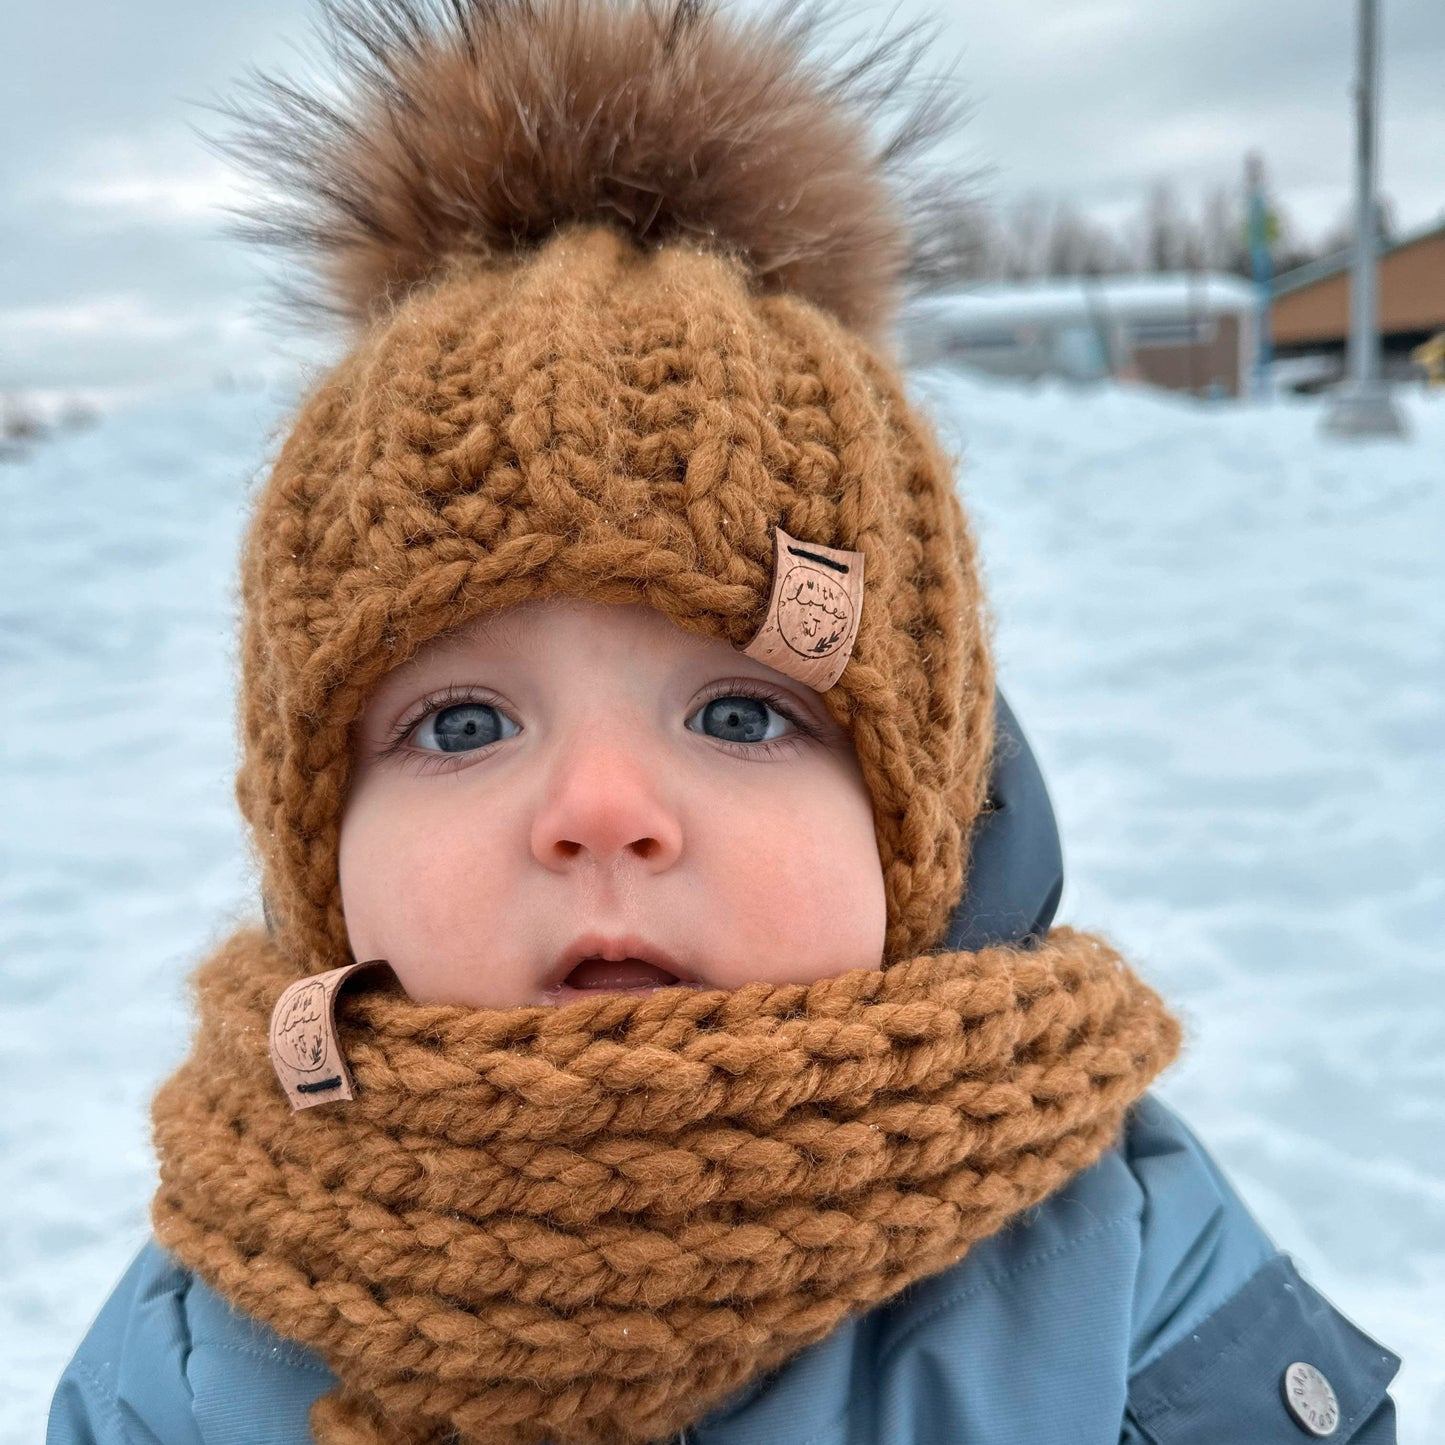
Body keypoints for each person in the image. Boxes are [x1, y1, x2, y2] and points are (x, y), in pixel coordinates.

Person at [47, 1, 1401, 1441]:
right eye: (458, 726)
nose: (602, 806)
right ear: (316, 854)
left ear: (919, 821)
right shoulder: (209, 1331)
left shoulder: (1110, 1253)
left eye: (744, 712)